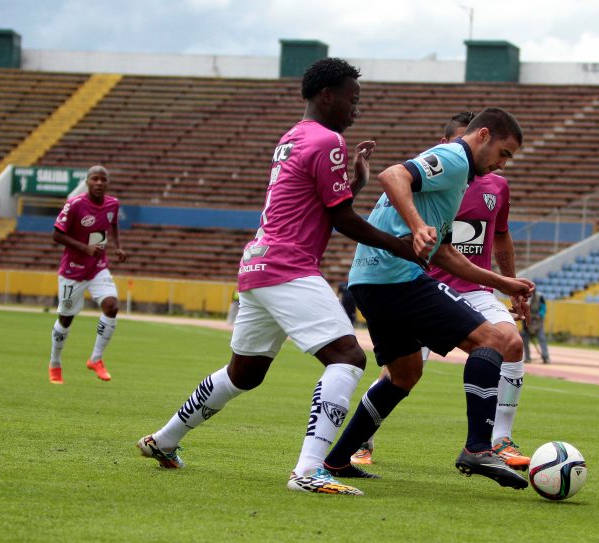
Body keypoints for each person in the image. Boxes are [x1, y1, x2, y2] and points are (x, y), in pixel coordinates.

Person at [136, 58, 424, 496]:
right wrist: (400, 245)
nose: (356, 108)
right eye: (352, 99)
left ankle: (164, 439)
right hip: (288, 265)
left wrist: (356, 184)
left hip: (258, 264)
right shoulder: (328, 139)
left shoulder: (292, 136)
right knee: (348, 357)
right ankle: (309, 470)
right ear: (327, 95)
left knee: (244, 373)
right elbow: (342, 218)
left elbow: (318, 205)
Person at [322, 107, 534, 490]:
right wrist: (418, 226)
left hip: (369, 280)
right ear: (483, 135)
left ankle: (337, 460)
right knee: (493, 341)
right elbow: (392, 175)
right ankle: (478, 447)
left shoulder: (457, 177)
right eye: (504, 153)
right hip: (397, 277)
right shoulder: (456, 158)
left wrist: (503, 282)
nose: (503, 164)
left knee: (405, 374)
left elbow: (445, 254)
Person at [48, 165, 127, 384]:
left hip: (98, 266)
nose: (99, 183)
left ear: (107, 183)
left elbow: (113, 224)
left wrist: (118, 247)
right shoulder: (74, 205)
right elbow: (56, 235)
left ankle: (96, 359)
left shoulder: (113, 203)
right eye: (95, 179)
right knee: (66, 319)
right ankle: (55, 363)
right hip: (73, 270)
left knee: (111, 306)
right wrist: (85, 248)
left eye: (103, 179)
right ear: (87, 182)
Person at [521, 291, 549, 364]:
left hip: (537, 321)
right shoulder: (523, 297)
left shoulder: (540, 297)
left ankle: (545, 357)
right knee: (525, 339)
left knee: (542, 338)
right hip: (527, 322)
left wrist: (540, 315)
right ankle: (527, 357)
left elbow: (543, 308)